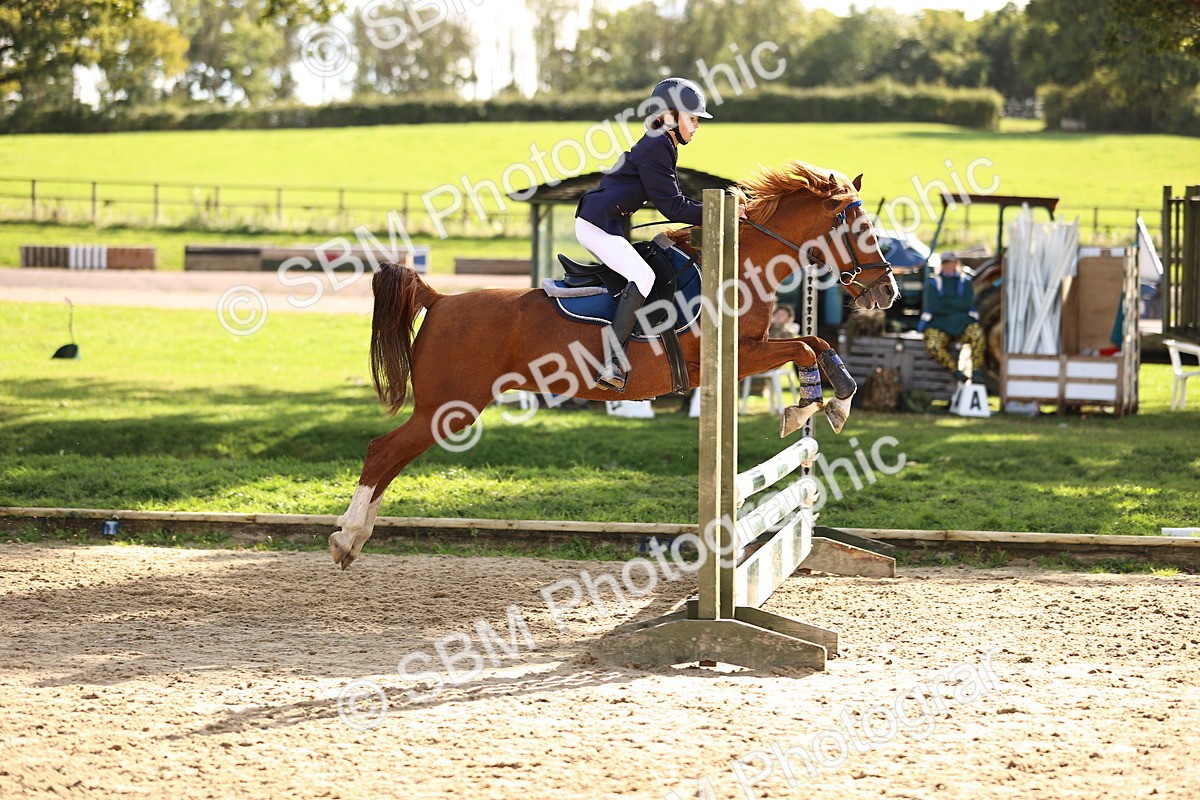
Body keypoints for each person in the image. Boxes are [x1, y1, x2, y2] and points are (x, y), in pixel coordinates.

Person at [575, 76, 744, 392]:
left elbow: (675, 199)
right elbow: (674, 208)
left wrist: (720, 207)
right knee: (643, 275)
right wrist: (721, 211)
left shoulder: (662, 143)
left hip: (605, 224)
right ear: (669, 115)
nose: (697, 125)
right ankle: (612, 361)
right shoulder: (657, 146)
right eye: (692, 118)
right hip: (596, 226)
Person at [917, 251, 986, 383]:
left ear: (956, 264)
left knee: (977, 335)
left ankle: (976, 371)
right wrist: (956, 304)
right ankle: (955, 371)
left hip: (963, 323)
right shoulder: (933, 282)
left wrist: (946, 302)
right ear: (942, 265)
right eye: (945, 263)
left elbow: (967, 303)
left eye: (951, 263)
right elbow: (934, 306)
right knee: (933, 346)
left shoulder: (965, 281)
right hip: (939, 324)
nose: (948, 266)